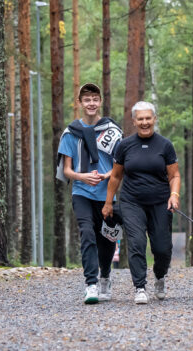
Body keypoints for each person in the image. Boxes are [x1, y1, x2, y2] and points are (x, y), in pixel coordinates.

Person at [102, 101, 181, 305]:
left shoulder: (165, 145)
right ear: (134, 121)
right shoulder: (125, 145)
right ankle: (140, 287)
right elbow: (116, 177)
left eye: (148, 118)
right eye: (140, 119)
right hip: (132, 202)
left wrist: (174, 195)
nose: (144, 122)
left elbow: (174, 175)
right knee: (136, 243)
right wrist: (108, 203)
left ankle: (160, 276)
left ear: (154, 119)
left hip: (160, 203)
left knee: (162, 248)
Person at [55, 83, 122, 304]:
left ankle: (105, 276)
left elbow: (120, 166)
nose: (91, 103)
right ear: (80, 103)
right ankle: (90, 283)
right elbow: (67, 170)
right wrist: (82, 177)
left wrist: (105, 176)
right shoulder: (70, 133)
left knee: (107, 239)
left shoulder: (112, 131)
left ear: (100, 101)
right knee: (87, 233)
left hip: (107, 194)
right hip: (82, 192)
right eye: (87, 99)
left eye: (95, 99)